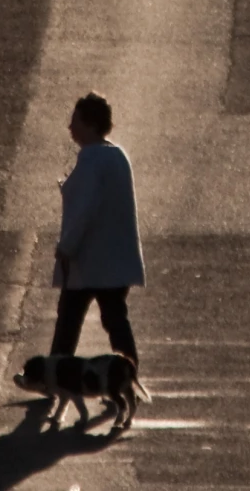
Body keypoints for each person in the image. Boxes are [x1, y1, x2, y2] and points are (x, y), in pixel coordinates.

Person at [50, 91, 144, 373]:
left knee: (68, 319)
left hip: (89, 261)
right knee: (115, 319)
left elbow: (84, 211)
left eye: (75, 121)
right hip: (115, 261)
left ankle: (54, 373)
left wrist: (66, 247)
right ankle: (128, 372)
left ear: (89, 124)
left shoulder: (91, 160)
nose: (71, 127)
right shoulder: (117, 156)